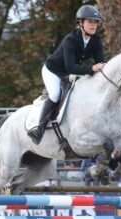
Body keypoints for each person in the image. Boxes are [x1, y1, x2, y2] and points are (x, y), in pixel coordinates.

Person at [27, 5, 105, 144]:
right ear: (81, 23)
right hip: (53, 71)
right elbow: (71, 67)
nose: (93, 25)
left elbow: (101, 63)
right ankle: (39, 128)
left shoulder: (96, 41)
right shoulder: (70, 39)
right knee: (55, 94)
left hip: (72, 73)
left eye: (95, 22)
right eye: (90, 21)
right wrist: (93, 68)